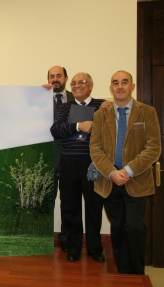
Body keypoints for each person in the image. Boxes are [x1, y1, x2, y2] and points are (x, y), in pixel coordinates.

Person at [90, 71, 161, 274]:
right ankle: (123, 272)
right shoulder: (100, 115)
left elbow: (153, 148)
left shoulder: (147, 112)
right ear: (111, 88)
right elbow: (95, 150)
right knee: (118, 227)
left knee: (134, 227)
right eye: (115, 83)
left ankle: (137, 273)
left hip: (137, 181)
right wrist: (112, 173)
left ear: (132, 86)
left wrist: (128, 170)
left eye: (124, 82)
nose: (120, 86)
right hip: (109, 182)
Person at [50, 72, 105, 263]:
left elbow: (110, 131)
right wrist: (79, 126)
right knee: (70, 207)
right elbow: (56, 130)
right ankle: (73, 247)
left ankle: (95, 248)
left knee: (94, 208)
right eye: (73, 83)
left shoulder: (102, 105)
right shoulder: (65, 107)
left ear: (91, 85)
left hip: (93, 165)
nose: (76, 85)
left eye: (81, 82)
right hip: (68, 163)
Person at [45, 65, 75, 252]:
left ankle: (67, 238)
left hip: (70, 156)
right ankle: (44, 238)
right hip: (47, 156)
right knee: (47, 199)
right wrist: (37, 92)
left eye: (59, 76)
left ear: (65, 78)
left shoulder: (76, 99)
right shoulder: (39, 97)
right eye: (51, 76)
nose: (55, 79)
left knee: (69, 201)